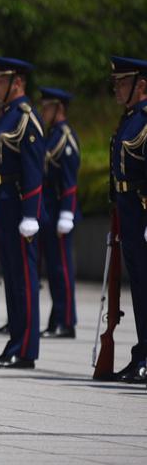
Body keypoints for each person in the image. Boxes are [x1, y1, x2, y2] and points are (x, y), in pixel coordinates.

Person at [0, 56, 45, 369]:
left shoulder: (25, 118)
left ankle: (25, 348)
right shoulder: (7, 115)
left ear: (16, 82)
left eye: (0, 79)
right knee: (11, 278)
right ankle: (15, 341)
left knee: (23, 280)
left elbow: (34, 170)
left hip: (18, 207)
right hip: (3, 204)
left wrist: (31, 214)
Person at [107, 56, 147, 383]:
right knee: (138, 285)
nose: (117, 88)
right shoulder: (130, 120)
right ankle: (142, 354)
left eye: (123, 82)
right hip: (128, 211)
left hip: (142, 210)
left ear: (141, 85)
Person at [38, 87, 80, 339]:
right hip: (49, 210)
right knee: (53, 269)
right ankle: (57, 319)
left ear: (59, 109)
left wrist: (67, 212)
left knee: (61, 268)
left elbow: (69, 181)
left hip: (60, 211)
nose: (43, 111)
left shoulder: (65, 138)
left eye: (47, 107)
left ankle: (66, 321)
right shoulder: (51, 135)